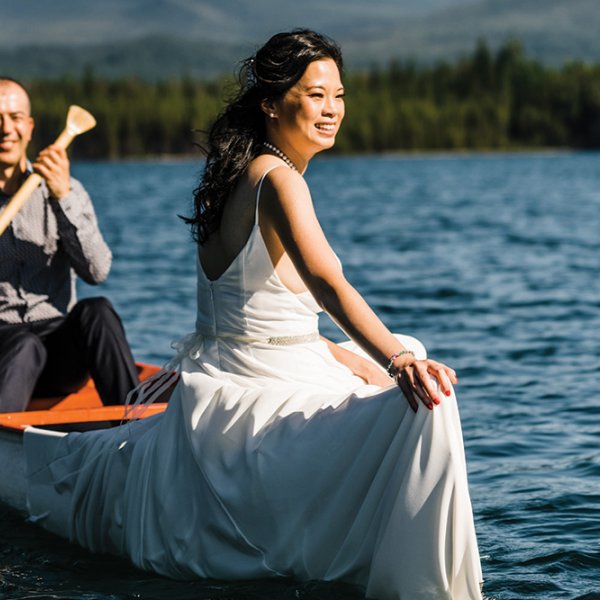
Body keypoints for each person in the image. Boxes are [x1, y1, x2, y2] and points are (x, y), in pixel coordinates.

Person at [25, 31, 483, 599]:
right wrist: (396, 361)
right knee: (430, 394)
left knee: (405, 357)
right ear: (271, 102)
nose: (332, 109)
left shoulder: (231, 176)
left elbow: (264, 319)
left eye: (339, 95)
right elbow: (326, 283)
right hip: (256, 397)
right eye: (315, 95)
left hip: (226, 382)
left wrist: (361, 358)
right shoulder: (279, 180)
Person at [0, 77, 139, 410]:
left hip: (57, 349)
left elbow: (97, 270)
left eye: (15, 117)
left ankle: (137, 428)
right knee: (22, 345)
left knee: (98, 310)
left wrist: (62, 196)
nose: (6, 128)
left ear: (29, 127)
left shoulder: (68, 190)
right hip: (4, 349)